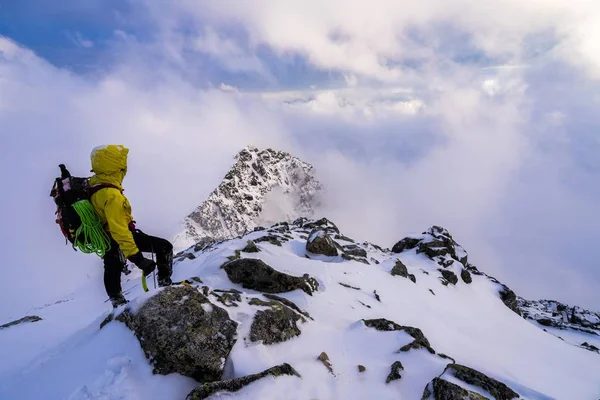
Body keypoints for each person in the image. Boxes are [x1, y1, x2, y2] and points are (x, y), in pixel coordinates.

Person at [88, 145, 173, 307]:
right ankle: (165, 284)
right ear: (115, 166)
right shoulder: (112, 195)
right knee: (164, 247)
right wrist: (138, 259)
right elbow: (120, 230)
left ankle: (117, 302)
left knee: (112, 264)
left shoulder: (94, 184)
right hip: (115, 234)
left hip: (103, 236)